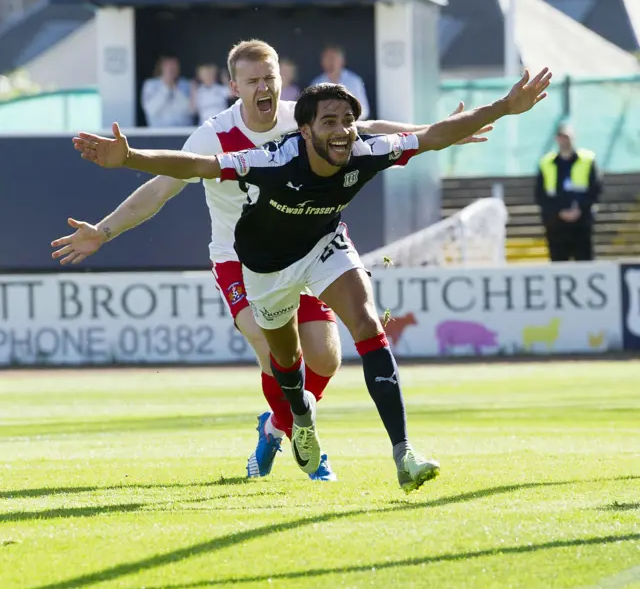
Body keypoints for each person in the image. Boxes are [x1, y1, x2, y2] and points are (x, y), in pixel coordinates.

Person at [70, 68, 551, 492]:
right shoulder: (270, 160)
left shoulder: (362, 149)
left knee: (364, 324)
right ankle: (294, 420)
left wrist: (507, 107)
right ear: (304, 131)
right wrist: (128, 158)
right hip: (263, 269)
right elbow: (194, 168)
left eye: (347, 122)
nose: (342, 132)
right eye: (330, 123)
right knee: (285, 361)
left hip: (322, 246)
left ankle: (404, 453)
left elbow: (430, 138)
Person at [535, 121, 602, 262]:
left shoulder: (587, 160)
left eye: (567, 136)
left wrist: (579, 209)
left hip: (581, 223)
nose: (564, 140)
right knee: (559, 264)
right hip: (556, 224)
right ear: (556, 139)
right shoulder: (546, 163)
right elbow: (541, 194)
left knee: (585, 263)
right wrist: (558, 211)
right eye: (561, 137)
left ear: (573, 137)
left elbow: (595, 190)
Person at [310, 45, 370, 119]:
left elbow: (364, 110)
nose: (330, 62)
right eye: (326, 58)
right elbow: (311, 111)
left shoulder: (354, 81)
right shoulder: (316, 83)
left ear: (342, 61)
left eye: (333, 58)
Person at [141, 56, 193, 128]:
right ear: (161, 67)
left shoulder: (187, 85)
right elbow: (151, 110)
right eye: (167, 66)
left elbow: (190, 110)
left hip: (182, 132)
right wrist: (166, 88)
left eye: (174, 66)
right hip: (158, 132)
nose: (170, 69)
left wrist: (175, 88)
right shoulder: (151, 85)